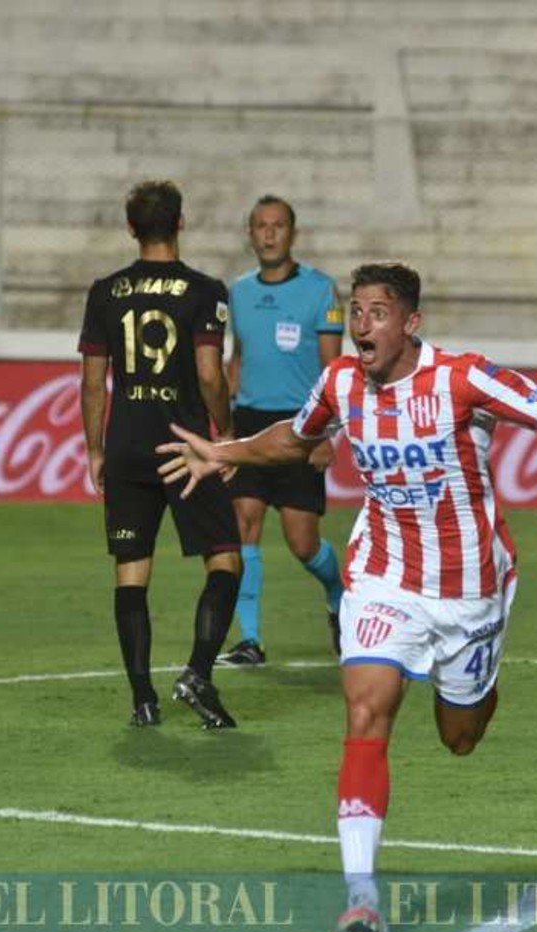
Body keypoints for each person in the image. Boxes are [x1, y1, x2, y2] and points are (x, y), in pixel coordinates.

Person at [157, 262, 537, 932]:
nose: (361, 325)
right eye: (355, 312)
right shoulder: (340, 383)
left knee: (460, 738)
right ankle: (360, 896)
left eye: (377, 312)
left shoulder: (464, 378)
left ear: (410, 322)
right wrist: (225, 452)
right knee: (365, 710)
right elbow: (297, 438)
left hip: (469, 589)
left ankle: (480, 678)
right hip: (383, 576)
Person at [79, 180, 242, 729]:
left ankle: (143, 699)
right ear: (180, 223)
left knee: (132, 571)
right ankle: (197, 672)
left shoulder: (105, 291)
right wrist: (227, 434)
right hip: (185, 445)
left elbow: (93, 383)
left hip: (126, 443)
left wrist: (96, 449)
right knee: (224, 559)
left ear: (131, 227)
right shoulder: (205, 290)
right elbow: (208, 373)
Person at [218, 195, 346, 667]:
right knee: (244, 524)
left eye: (277, 226)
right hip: (250, 422)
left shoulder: (320, 290)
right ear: (250, 234)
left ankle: (338, 594)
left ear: (293, 233)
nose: (269, 234)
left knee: (303, 543)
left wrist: (326, 433)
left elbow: (335, 370)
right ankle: (250, 640)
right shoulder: (238, 291)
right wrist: (225, 423)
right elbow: (238, 359)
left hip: (301, 423)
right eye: (260, 226)